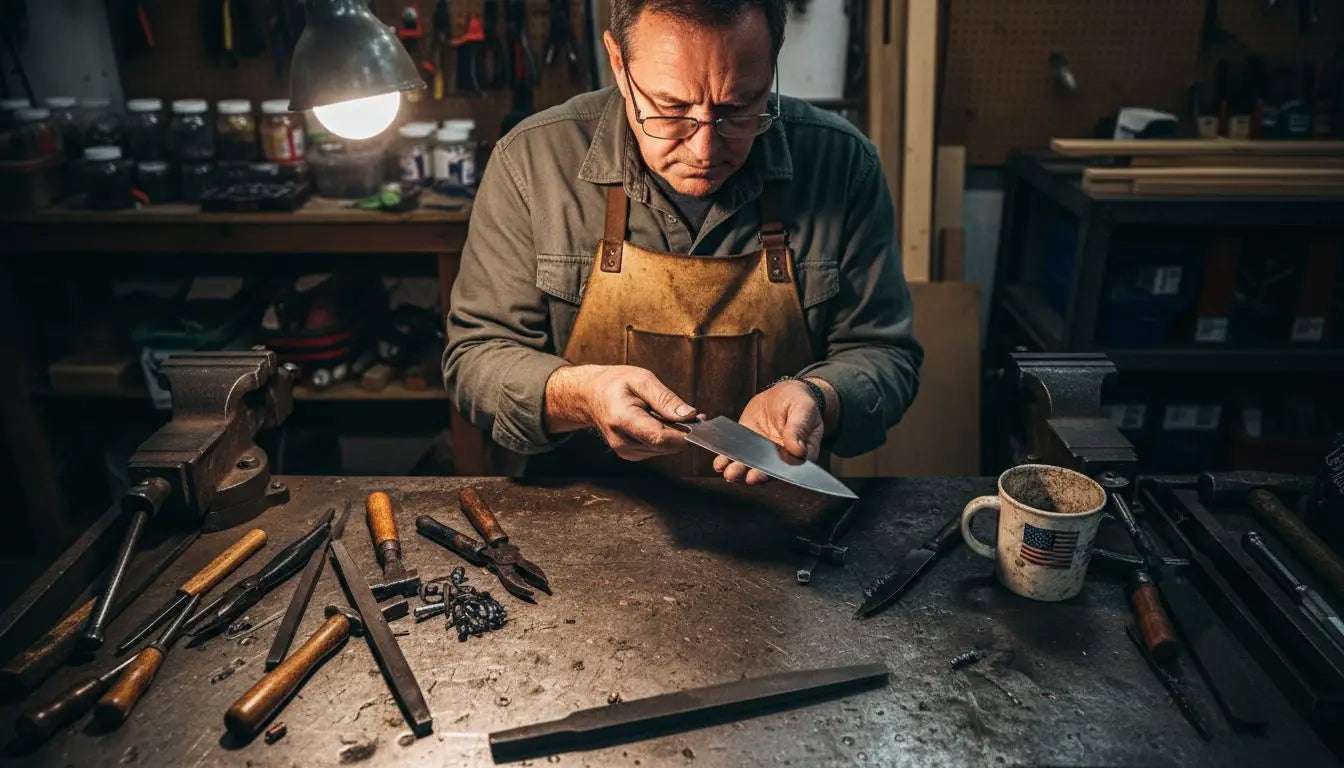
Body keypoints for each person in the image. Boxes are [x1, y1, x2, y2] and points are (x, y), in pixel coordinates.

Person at [444, 0, 922, 483]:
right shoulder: (531, 162)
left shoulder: (841, 164)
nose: (704, 150)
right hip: (578, 510)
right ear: (617, 61)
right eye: (670, 109)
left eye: (738, 109)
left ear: (773, 58)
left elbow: (885, 356)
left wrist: (819, 396)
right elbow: (476, 356)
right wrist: (580, 394)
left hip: (779, 518)